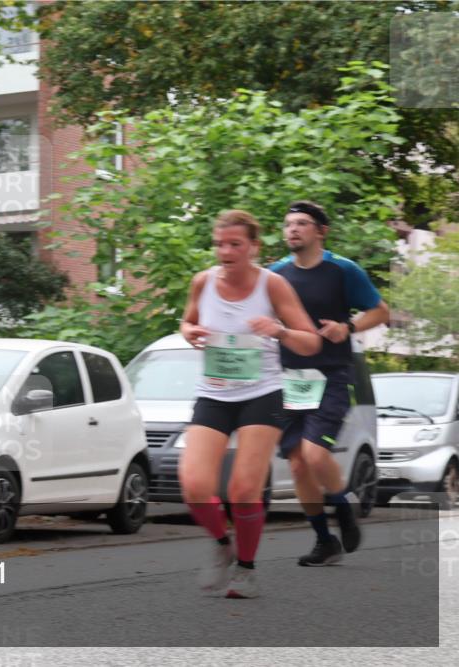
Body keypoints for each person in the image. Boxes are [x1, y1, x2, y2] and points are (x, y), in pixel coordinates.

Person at [179, 209, 321, 599]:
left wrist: (278, 330)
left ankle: (246, 569)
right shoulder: (202, 282)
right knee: (194, 486)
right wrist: (190, 331)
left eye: (235, 244)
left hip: (262, 393)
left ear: (253, 247)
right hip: (214, 392)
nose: (225, 252)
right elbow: (187, 321)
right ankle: (222, 544)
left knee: (243, 489)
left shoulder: (272, 285)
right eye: (220, 244)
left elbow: (311, 342)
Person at [270, 200, 390, 566]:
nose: (292, 229)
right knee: (297, 465)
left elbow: (380, 311)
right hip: (290, 379)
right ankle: (325, 541)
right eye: (288, 224)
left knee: (315, 454)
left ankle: (344, 508)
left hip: (332, 374)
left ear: (321, 231)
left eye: (302, 223)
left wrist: (347, 327)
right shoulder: (275, 275)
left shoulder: (343, 270)